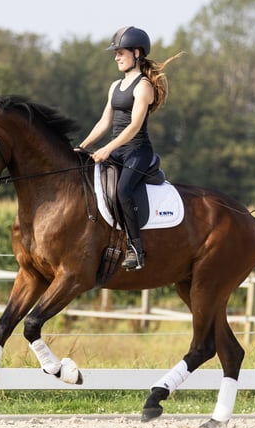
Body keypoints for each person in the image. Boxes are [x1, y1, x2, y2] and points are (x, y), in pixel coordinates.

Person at [76, 26, 183, 270]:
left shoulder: (144, 86)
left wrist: (106, 149)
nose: (116, 57)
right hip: (117, 150)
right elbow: (105, 122)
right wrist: (82, 146)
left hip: (138, 151)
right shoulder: (115, 87)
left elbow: (134, 126)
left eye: (120, 52)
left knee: (123, 191)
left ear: (136, 53)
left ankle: (136, 249)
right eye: (116, 53)